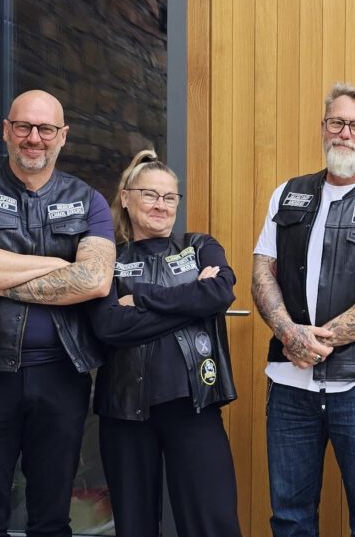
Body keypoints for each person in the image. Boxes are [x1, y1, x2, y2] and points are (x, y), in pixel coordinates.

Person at [0, 89, 116, 537]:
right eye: (24, 127)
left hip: (61, 376)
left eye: (46, 129)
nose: (34, 138)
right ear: (6, 130)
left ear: (62, 136)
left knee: (52, 517)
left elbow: (96, 280)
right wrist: (57, 264)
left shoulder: (88, 200)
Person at [251, 82, 355, 537]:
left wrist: (313, 342)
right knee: (290, 517)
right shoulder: (288, 194)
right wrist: (289, 333)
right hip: (290, 385)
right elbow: (262, 271)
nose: (345, 133)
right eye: (337, 122)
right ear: (323, 127)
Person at [88, 150, 241, 537]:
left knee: (212, 523)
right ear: (126, 198)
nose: (161, 205)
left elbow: (220, 293)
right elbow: (109, 325)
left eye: (170, 197)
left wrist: (139, 297)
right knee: (134, 526)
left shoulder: (200, 246)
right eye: (150, 195)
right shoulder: (108, 258)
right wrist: (193, 303)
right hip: (124, 413)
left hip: (194, 406)